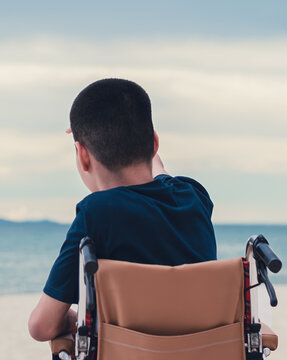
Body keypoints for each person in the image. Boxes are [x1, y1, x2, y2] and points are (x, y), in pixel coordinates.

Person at [28, 78, 217, 342]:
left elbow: (41, 326)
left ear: (83, 156)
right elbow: (161, 173)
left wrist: (76, 318)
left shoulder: (95, 214)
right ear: (154, 143)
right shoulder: (193, 196)